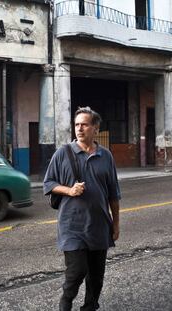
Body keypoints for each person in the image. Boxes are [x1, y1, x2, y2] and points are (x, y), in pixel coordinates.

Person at [43, 106, 121, 311]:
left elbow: (114, 193)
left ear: (95, 129)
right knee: (77, 271)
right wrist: (69, 191)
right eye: (77, 125)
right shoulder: (63, 153)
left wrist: (116, 224)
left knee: (96, 277)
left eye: (84, 125)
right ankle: (66, 302)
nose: (79, 129)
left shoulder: (106, 156)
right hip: (72, 225)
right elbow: (48, 183)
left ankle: (90, 307)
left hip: (99, 225)